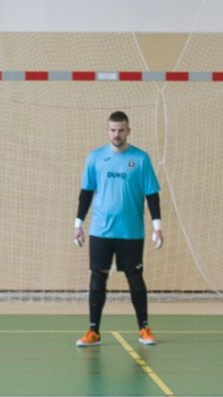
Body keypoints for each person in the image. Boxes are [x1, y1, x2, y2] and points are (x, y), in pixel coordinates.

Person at [72, 110, 163, 348]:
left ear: (128, 131)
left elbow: (152, 195)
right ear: (107, 131)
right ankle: (93, 331)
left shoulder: (141, 159)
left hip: (130, 232)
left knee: (135, 277)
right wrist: (78, 224)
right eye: (113, 130)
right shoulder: (95, 158)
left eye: (121, 130)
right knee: (97, 276)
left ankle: (144, 328)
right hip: (100, 231)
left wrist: (157, 227)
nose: (117, 134)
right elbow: (86, 193)